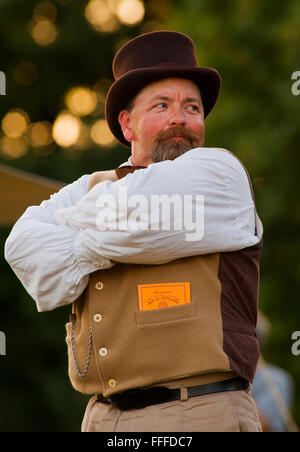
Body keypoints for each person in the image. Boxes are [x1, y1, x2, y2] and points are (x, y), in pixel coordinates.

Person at [5, 31, 263, 432]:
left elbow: (133, 216)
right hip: (102, 418)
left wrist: (74, 236)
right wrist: (104, 232)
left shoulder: (221, 175)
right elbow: (21, 246)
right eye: (162, 105)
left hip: (201, 412)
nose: (180, 117)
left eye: (191, 107)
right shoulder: (91, 187)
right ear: (127, 124)